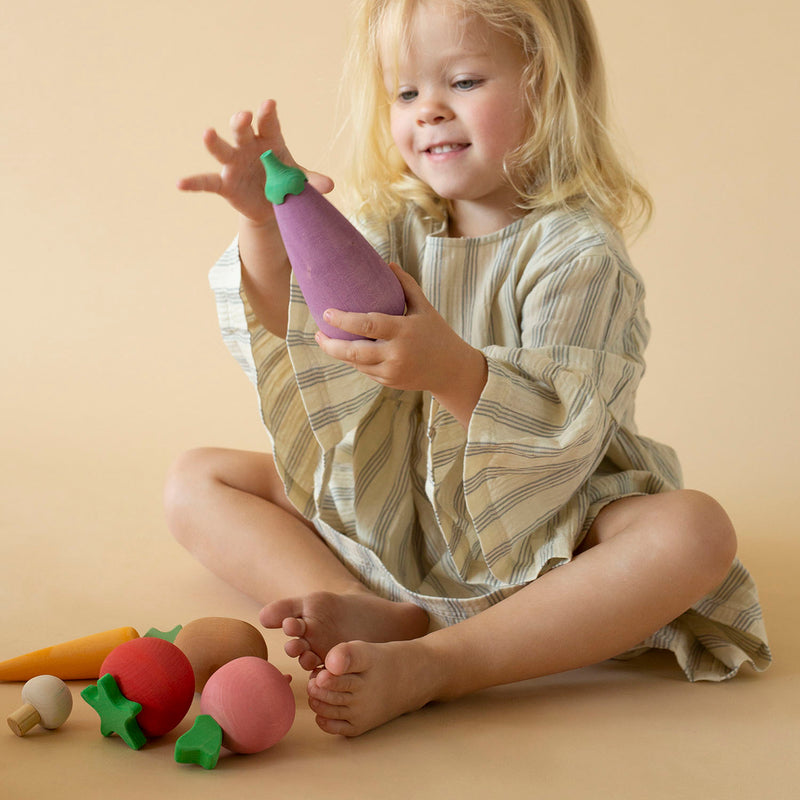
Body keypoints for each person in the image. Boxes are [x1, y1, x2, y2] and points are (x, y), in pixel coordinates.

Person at [168, 0, 771, 737]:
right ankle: (367, 612)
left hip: (541, 536)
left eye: (462, 81)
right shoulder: (395, 226)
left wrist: (451, 367)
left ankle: (446, 662)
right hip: (402, 512)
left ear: (546, 88)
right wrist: (266, 222)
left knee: (694, 532)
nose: (429, 113)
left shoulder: (575, 255)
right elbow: (291, 318)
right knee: (198, 480)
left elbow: (564, 429)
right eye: (407, 92)